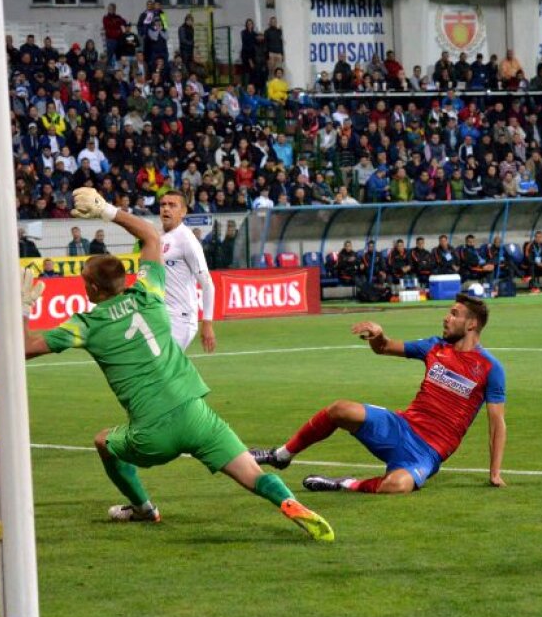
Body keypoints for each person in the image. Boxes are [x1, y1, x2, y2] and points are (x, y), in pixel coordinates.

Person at [19, 187, 333, 539]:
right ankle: (288, 502)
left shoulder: (85, 324)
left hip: (152, 433)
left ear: (91, 289)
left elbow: (22, 349)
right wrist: (106, 210)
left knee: (104, 442)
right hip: (195, 413)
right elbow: (151, 237)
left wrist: (23, 309)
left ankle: (143, 508)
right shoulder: (149, 293)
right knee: (251, 473)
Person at [251, 295, 506, 494]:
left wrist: (494, 473)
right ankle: (281, 456)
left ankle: (344, 484)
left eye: (454, 314)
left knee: (398, 485)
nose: (446, 318)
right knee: (340, 409)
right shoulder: (434, 347)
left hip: (427, 453)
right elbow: (384, 347)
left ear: (472, 324)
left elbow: (497, 424)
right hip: (401, 426)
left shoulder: (490, 368)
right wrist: (378, 336)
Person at [159, 191, 217, 352]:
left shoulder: (187, 240)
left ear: (183, 212)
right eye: (163, 205)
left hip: (180, 318)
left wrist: (207, 323)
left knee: (164, 365)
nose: (166, 209)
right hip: (160, 314)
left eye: (172, 205)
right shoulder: (159, 236)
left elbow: (207, 284)